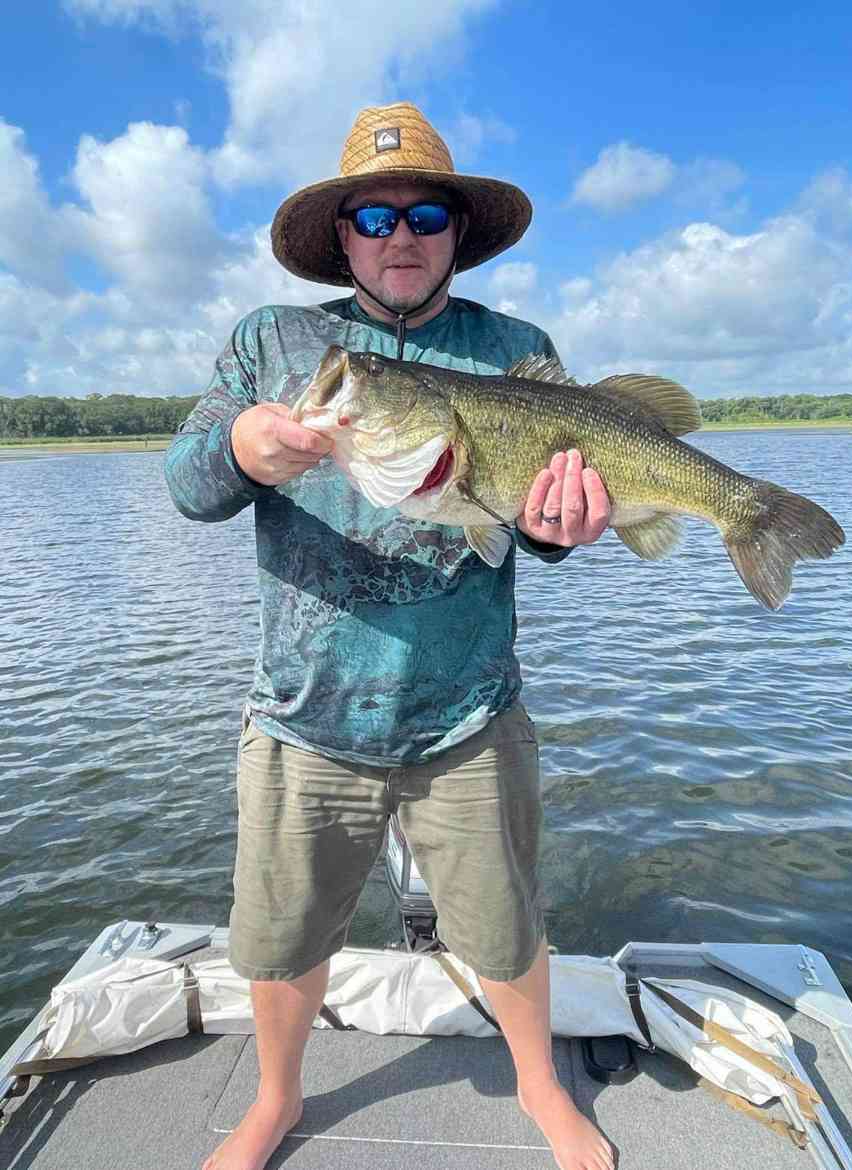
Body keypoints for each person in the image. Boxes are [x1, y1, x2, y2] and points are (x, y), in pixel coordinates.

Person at [165, 102, 614, 1170]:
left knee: (506, 923)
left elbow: (527, 527)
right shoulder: (274, 341)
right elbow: (188, 484)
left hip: (470, 711)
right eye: (373, 216)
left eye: (424, 214)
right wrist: (242, 446)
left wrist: (561, 528)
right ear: (343, 235)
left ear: (458, 231)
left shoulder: (516, 352)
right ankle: (276, 1098)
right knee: (281, 936)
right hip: (303, 717)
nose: (398, 235)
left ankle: (539, 1084)